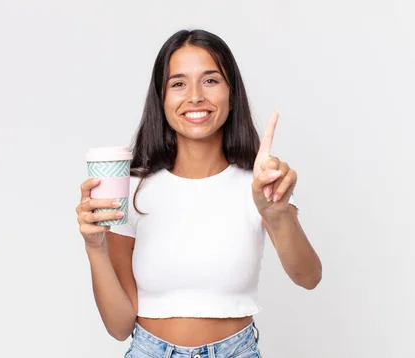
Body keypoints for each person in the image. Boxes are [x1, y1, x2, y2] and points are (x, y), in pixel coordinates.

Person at [76, 29, 322, 357]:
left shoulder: (258, 185)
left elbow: (309, 277)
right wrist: (95, 248)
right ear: (161, 99)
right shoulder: (132, 189)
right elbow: (120, 326)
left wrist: (275, 213)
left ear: (232, 94)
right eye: (178, 83)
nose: (195, 97)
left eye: (210, 81)